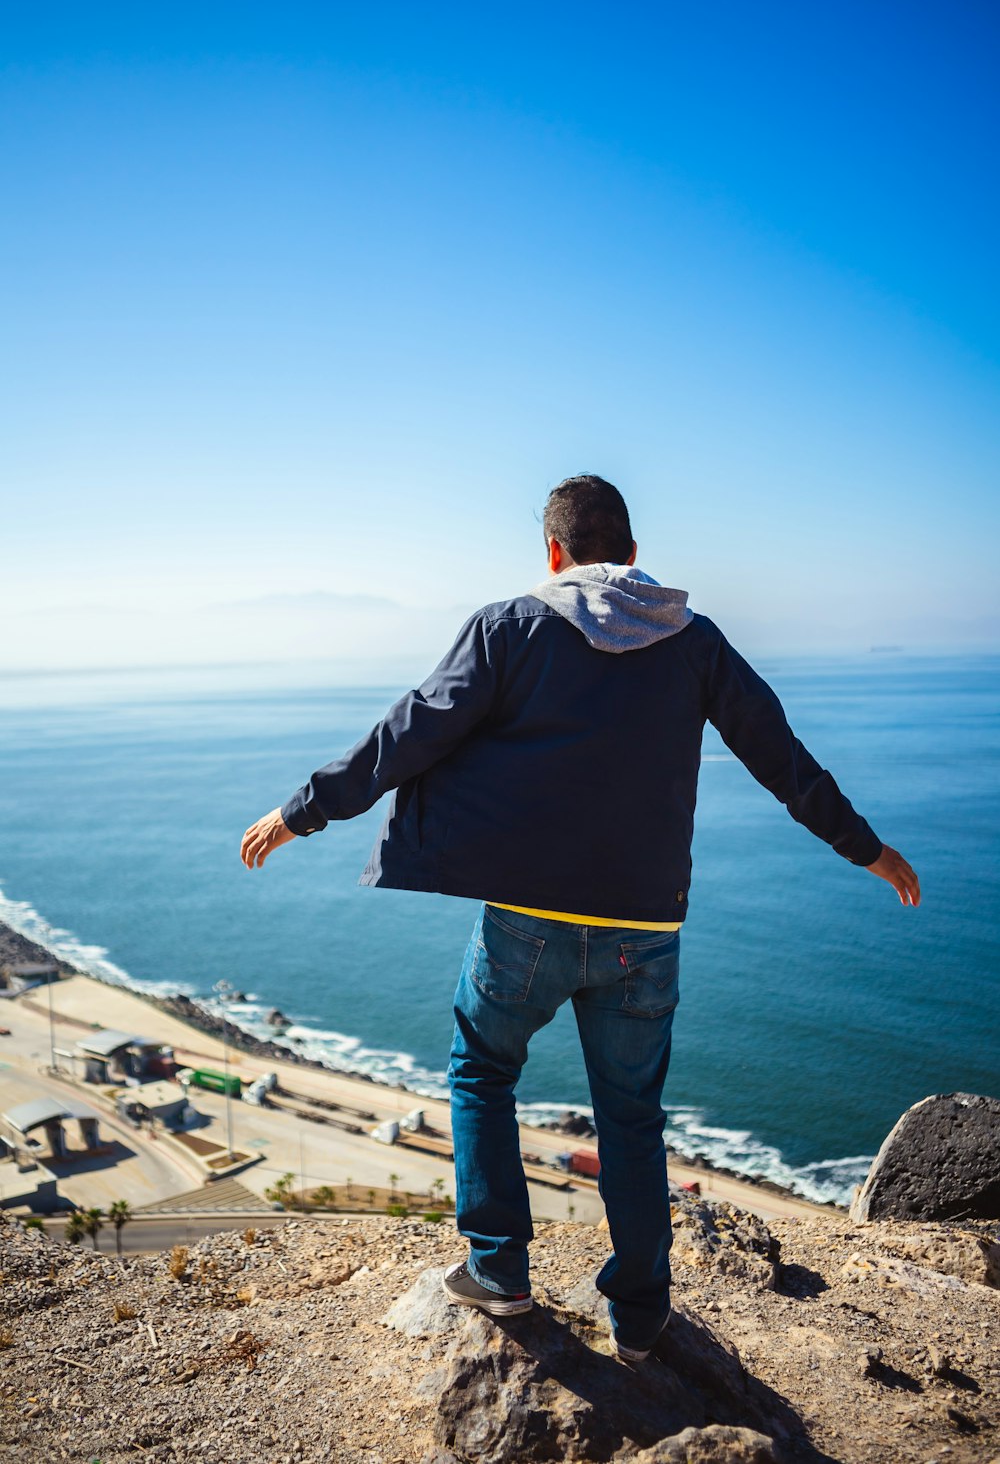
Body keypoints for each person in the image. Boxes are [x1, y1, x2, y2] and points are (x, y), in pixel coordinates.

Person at [240, 474, 920, 1362]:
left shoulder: (509, 627)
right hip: (646, 929)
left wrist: (304, 810)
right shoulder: (695, 641)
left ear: (553, 554)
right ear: (633, 554)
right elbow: (780, 757)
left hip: (525, 922)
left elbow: (409, 731)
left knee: (481, 1071)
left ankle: (500, 1273)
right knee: (630, 1120)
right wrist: (867, 849)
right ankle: (639, 1320)